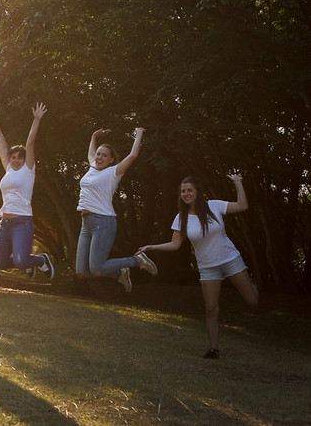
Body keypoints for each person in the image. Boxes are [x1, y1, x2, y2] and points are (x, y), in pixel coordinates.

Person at [138, 174, 258, 358]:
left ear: (197, 191)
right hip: (208, 267)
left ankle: (252, 284)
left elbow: (242, 205)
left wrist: (238, 183)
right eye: (183, 191)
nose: (186, 194)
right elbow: (175, 244)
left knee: (252, 300)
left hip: (230, 259)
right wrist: (151, 247)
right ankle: (214, 349)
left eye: (189, 190)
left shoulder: (214, 206)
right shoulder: (182, 217)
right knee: (211, 308)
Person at [75, 127, 156, 293]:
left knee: (96, 268)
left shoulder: (113, 172)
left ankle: (137, 260)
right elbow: (91, 153)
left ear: (111, 160)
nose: (99, 157)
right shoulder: (92, 168)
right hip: (86, 223)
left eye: (104, 155)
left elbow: (133, 156)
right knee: (81, 271)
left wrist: (139, 134)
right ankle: (120, 273)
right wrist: (93, 136)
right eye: (98, 154)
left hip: (103, 222)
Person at [0, 103, 54, 279]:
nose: (16, 160)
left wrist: (37, 119)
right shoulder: (9, 169)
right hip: (5, 224)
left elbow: (30, 142)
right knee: (0, 264)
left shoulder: (28, 170)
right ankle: (27, 261)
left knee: (20, 262)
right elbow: (1, 148)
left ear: (25, 159)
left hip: (22, 222)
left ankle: (40, 260)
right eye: (13, 157)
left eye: (20, 157)